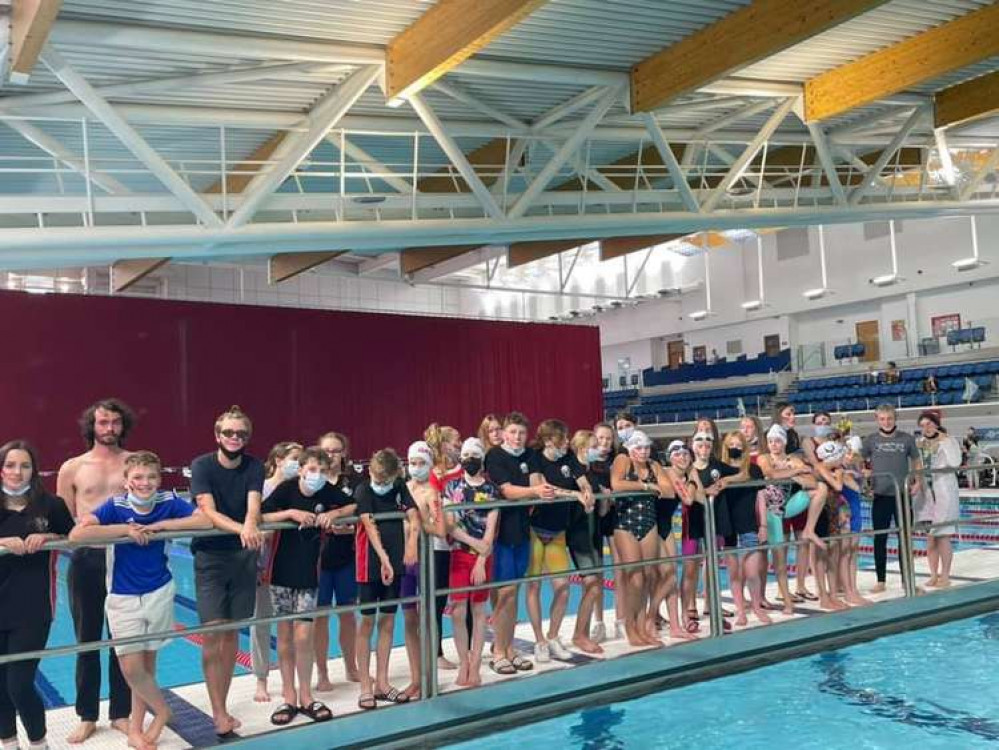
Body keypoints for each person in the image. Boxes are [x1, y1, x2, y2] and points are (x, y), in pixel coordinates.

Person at [70, 451, 211, 750]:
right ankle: (162, 710)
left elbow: (204, 521)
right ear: (127, 481)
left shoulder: (167, 502)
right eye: (138, 477)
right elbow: (76, 535)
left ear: (159, 479)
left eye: (151, 477)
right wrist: (125, 530)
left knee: (147, 666)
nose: (145, 483)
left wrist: (161, 527)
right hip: (122, 595)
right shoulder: (117, 506)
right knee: (132, 668)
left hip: (159, 591)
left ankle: (137, 728)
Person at [57, 398, 134, 744]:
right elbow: (65, 522)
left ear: (123, 425)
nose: (109, 429)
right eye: (103, 422)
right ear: (92, 425)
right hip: (87, 560)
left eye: (115, 422)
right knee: (87, 639)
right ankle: (87, 715)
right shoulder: (72, 468)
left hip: (127, 559)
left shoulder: (134, 463)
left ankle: (121, 712)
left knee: (124, 640)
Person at [189, 405, 264, 737]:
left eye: (241, 433)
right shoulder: (202, 466)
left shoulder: (254, 466)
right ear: (218, 435)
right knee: (212, 633)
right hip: (211, 559)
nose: (235, 438)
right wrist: (242, 530)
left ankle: (224, 705)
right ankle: (217, 710)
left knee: (233, 632)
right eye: (229, 433)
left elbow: (254, 505)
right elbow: (208, 511)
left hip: (244, 558)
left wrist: (249, 525)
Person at [259, 446, 343, 726]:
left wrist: (335, 513)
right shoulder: (285, 490)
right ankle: (289, 696)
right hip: (280, 575)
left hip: (308, 576)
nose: (316, 475)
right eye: (311, 470)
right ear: (302, 469)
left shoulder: (325, 493)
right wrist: (291, 513)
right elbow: (261, 515)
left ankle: (306, 695)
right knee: (284, 638)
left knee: (303, 636)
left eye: (321, 470)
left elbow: (354, 505)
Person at [0, 441, 75, 750]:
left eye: (25, 465)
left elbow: (72, 538)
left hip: (33, 608)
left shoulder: (50, 504)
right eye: (11, 465)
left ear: (34, 469)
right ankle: (8, 742)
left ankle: (38, 743)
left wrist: (49, 536)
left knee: (19, 684)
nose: (18, 472)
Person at [484, 412, 554, 675]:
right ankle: (499, 651)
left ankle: (509, 648)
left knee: (513, 593)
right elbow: (507, 490)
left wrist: (542, 489)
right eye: (512, 432)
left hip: (522, 531)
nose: (517, 438)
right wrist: (535, 492)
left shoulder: (529, 456)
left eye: (522, 433)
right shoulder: (495, 456)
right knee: (505, 594)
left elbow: (538, 481)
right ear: (503, 433)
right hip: (502, 532)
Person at [354, 449, 419, 710]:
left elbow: (414, 516)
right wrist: (384, 561)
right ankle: (365, 686)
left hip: (396, 560)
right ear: (370, 472)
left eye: (386, 481)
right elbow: (370, 526)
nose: (382, 486)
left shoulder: (400, 486)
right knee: (367, 621)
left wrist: (412, 542)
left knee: (389, 621)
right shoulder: (363, 490)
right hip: (370, 562)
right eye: (378, 480)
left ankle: (382, 681)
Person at [527, 420, 593, 661]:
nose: (567, 442)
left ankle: (553, 636)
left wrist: (587, 493)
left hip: (557, 531)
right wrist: (575, 494)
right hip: (535, 529)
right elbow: (541, 487)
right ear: (548, 441)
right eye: (563, 439)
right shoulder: (535, 457)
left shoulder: (569, 459)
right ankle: (539, 641)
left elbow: (583, 482)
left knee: (563, 588)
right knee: (534, 587)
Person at [442, 438, 500, 687]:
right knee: (457, 611)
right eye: (465, 455)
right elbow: (450, 526)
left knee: (478, 611)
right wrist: (473, 545)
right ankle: (463, 663)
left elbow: (491, 531)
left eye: (474, 455)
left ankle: (475, 664)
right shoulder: (451, 487)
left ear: (482, 458)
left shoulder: (491, 490)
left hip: (482, 558)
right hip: (459, 554)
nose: (469, 459)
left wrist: (480, 559)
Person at [757, 425, 829, 615]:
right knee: (779, 558)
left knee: (820, 489)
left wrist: (797, 474)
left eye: (778, 441)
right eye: (771, 441)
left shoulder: (793, 459)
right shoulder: (764, 458)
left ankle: (809, 529)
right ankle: (787, 601)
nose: (774, 444)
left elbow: (812, 481)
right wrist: (794, 473)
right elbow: (770, 474)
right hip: (772, 511)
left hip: (789, 505)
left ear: (784, 442)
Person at [253, 441, 302, 704]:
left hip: (290, 566)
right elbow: (255, 523)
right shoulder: (261, 489)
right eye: (295, 458)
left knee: (291, 628)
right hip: (263, 565)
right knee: (261, 624)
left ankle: (289, 681)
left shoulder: (299, 488)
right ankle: (261, 679)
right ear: (278, 459)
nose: (299, 463)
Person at [610, 430, 669, 647]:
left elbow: (669, 490)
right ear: (630, 448)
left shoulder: (654, 466)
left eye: (646, 448)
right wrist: (647, 487)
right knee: (634, 577)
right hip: (626, 523)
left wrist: (655, 486)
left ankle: (642, 626)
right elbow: (617, 484)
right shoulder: (623, 460)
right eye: (639, 448)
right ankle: (630, 627)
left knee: (647, 576)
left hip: (649, 523)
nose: (643, 452)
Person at [314, 431, 362, 692]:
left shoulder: (354, 481)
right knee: (320, 618)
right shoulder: (313, 481)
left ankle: (351, 666)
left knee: (347, 615)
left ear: (345, 453)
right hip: (319, 559)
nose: (332, 455)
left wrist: (349, 528)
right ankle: (322, 673)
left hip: (347, 557)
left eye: (336, 450)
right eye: (327, 450)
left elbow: (363, 513)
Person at [686, 431, 743, 633]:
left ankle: (711, 605)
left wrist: (727, 481)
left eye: (708, 445)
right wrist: (704, 491)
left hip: (713, 520)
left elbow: (742, 472)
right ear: (692, 446)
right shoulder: (686, 466)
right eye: (699, 444)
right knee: (691, 566)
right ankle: (689, 608)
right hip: (691, 521)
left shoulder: (717, 465)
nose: (704, 448)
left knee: (711, 563)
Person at [862, 404, 921, 594]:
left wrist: (918, 481)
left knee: (905, 538)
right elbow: (858, 462)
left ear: (895, 418)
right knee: (880, 539)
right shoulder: (871, 440)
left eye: (889, 418)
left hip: (902, 497)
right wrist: (865, 478)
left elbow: (916, 461)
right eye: (882, 419)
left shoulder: (907, 438)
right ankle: (881, 580)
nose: (886, 422)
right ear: (877, 419)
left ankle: (907, 580)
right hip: (880, 495)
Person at [402, 441, 446, 700]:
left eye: (421, 464)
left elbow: (440, 530)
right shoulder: (403, 489)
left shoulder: (432, 494)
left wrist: (415, 524)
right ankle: (415, 678)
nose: (416, 468)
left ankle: (431, 677)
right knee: (409, 619)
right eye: (412, 463)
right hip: (405, 562)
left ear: (428, 466)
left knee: (428, 618)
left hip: (425, 562)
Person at [720, 432, 770, 626]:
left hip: (749, 524)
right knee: (734, 574)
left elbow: (761, 498)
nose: (735, 447)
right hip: (728, 527)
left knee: (751, 573)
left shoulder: (754, 469)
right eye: (731, 444)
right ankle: (741, 611)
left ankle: (756, 606)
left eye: (738, 444)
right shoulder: (721, 470)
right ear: (725, 447)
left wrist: (763, 524)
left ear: (744, 447)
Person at [424, 424, 462, 672]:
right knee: (437, 600)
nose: (459, 445)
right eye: (456, 441)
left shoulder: (463, 469)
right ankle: (435, 652)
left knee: (465, 597)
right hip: (439, 544)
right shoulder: (433, 474)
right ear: (444, 444)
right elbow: (432, 508)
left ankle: (468, 649)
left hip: (463, 541)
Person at [567, 430, 604, 654]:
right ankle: (579, 635)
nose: (598, 448)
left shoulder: (593, 473)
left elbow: (599, 509)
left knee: (595, 584)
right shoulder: (573, 470)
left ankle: (584, 631)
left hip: (594, 534)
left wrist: (604, 499)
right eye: (594, 445)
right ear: (582, 448)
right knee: (591, 583)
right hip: (578, 534)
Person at [655, 441, 697, 639]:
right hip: (651, 527)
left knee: (670, 575)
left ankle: (674, 625)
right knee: (664, 576)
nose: (683, 457)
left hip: (665, 526)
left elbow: (700, 498)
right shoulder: (669, 473)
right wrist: (694, 480)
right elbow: (688, 499)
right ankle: (651, 617)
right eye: (678, 454)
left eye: (685, 454)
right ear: (670, 458)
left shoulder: (686, 475)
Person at [915, 411, 960, 589]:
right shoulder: (920, 443)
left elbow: (956, 462)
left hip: (944, 491)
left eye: (929, 424)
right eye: (923, 425)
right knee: (930, 537)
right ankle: (933, 575)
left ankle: (946, 576)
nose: (926, 428)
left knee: (942, 536)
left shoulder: (949, 440)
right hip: (926, 494)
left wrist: (944, 442)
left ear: (936, 424)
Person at [587, 422, 619, 644]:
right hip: (593, 519)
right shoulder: (586, 461)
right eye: (601, 438)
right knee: (596, 572)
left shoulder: (617, 460)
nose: (605, 443)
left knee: (620, 569)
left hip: (614, 515)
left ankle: (621, 617)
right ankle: (598, 621)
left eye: (608, 439)